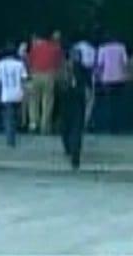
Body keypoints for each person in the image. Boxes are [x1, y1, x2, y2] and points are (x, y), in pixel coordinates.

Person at [59, 37, 92, 169]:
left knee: (66, 126)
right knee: (76, 128)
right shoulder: (83, 69)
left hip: (65, 98)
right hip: (78, 99)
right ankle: (75, 156)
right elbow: (89, 86)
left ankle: (68, 148)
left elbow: (58, 85)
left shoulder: (62, 68)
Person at [25, 29, 63, 134]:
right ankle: (45, 126)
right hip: (49, 75)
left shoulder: (35, 48)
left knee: (33, 101)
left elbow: (29, 61)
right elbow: (59, 64)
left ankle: (33, 124)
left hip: (35, 74)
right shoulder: (55, 49)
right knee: (47, 102)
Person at [0, 45, 27, 148]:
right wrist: (25, 94)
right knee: (15, 117)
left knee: (8, 118)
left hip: (5, 94)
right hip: (18, 93)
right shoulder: (20, 64)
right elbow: (23, 80)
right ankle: (13, 134)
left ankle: (10, 139)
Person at [94, 35, 128, 133]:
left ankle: (110, 126)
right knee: (118, 103)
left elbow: (100, 64)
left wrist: (97, 76)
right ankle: (118, 126)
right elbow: (125, 62)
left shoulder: (103, 48)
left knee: (109, 103)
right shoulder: (121, 47)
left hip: (107, 78)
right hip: (119, 77)